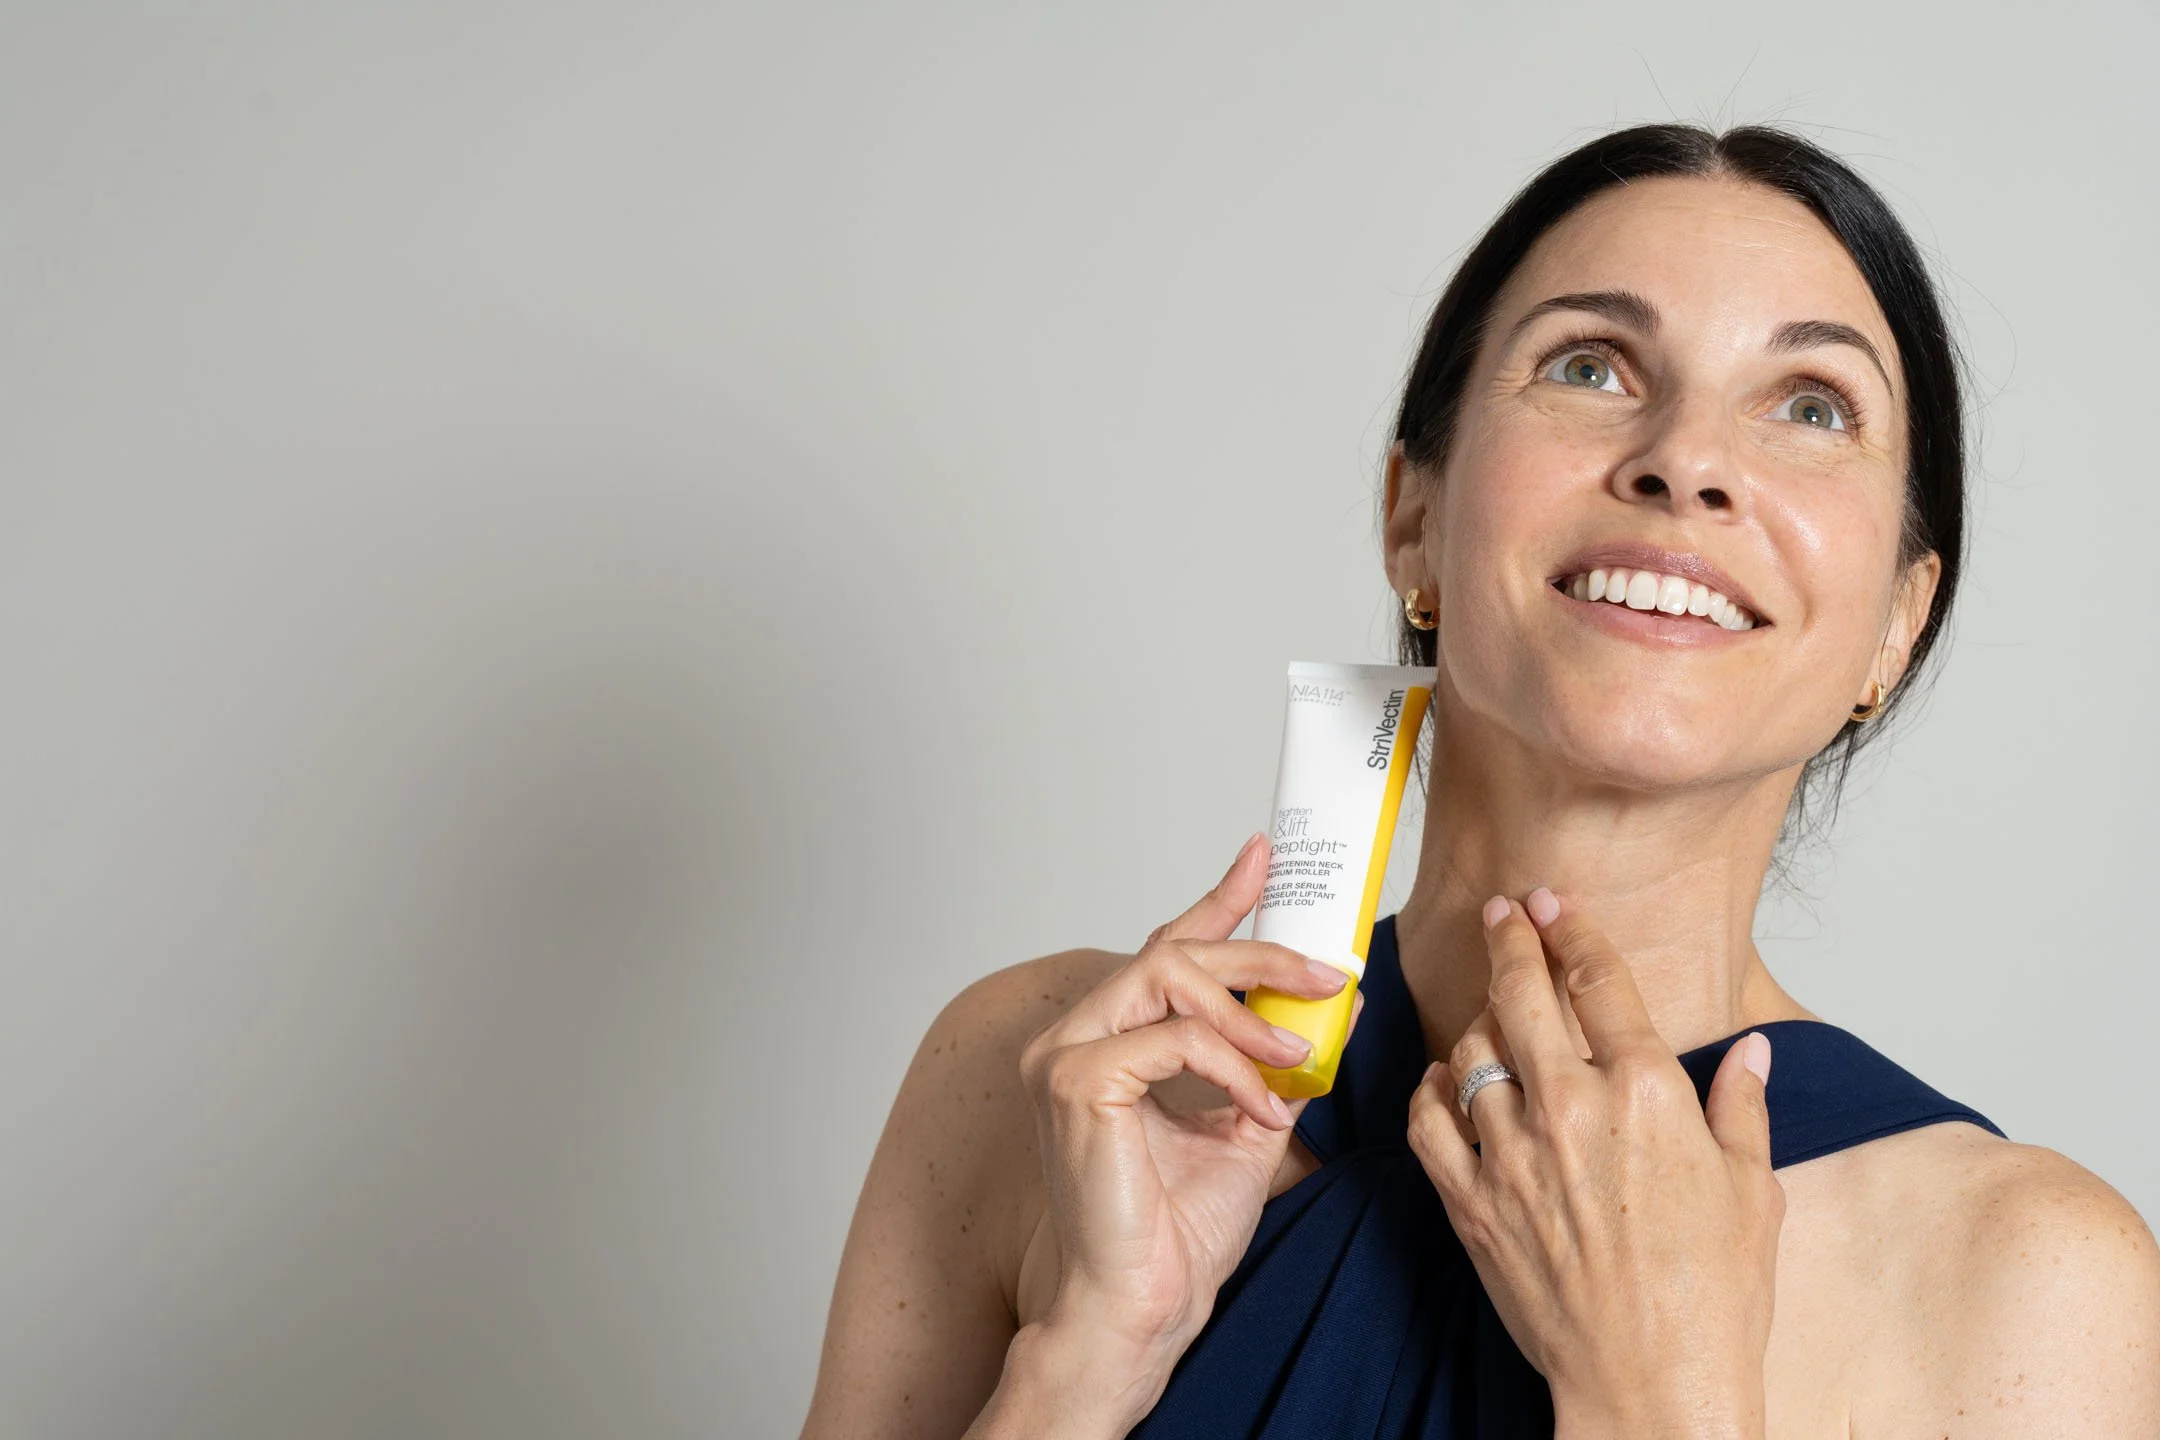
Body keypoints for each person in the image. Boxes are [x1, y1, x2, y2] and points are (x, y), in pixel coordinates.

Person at [799, 122, 2160, 1439]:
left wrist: (1658, 1407)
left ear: (1895, 625)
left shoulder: (2029, 1281)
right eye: (1590, 367)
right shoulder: (1034, 1081)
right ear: (1413, 522)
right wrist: (1086, 1363)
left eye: (1811, 406)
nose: (1685, 461)